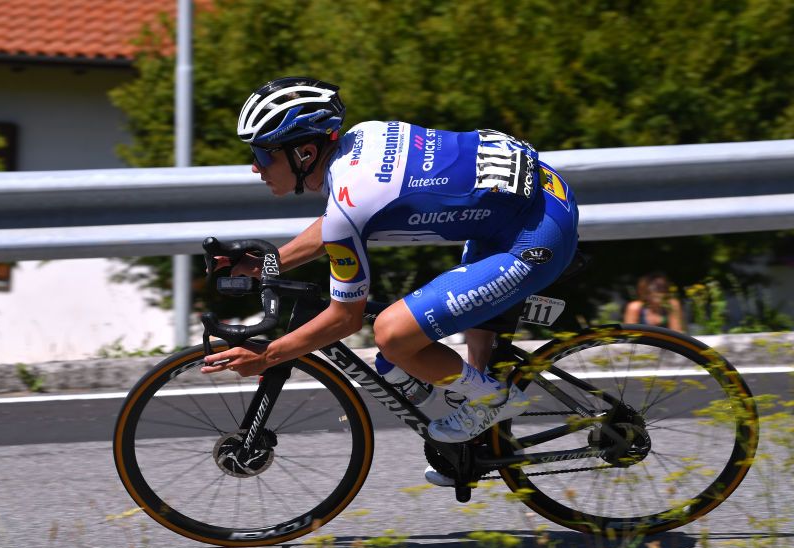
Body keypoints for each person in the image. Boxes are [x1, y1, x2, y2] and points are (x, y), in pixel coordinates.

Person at [201, 76, 579, 486]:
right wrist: (267, 265)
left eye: (262, 154)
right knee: (421, 348)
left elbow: (345, 318)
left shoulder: (351, 200)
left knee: (392, 335)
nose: (255, 166)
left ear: (305, 152)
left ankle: (494, 400)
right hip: (525, 203)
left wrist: (267, 356)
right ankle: (481, 432)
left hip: (533, 237)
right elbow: (337, 225)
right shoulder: (362, 139)